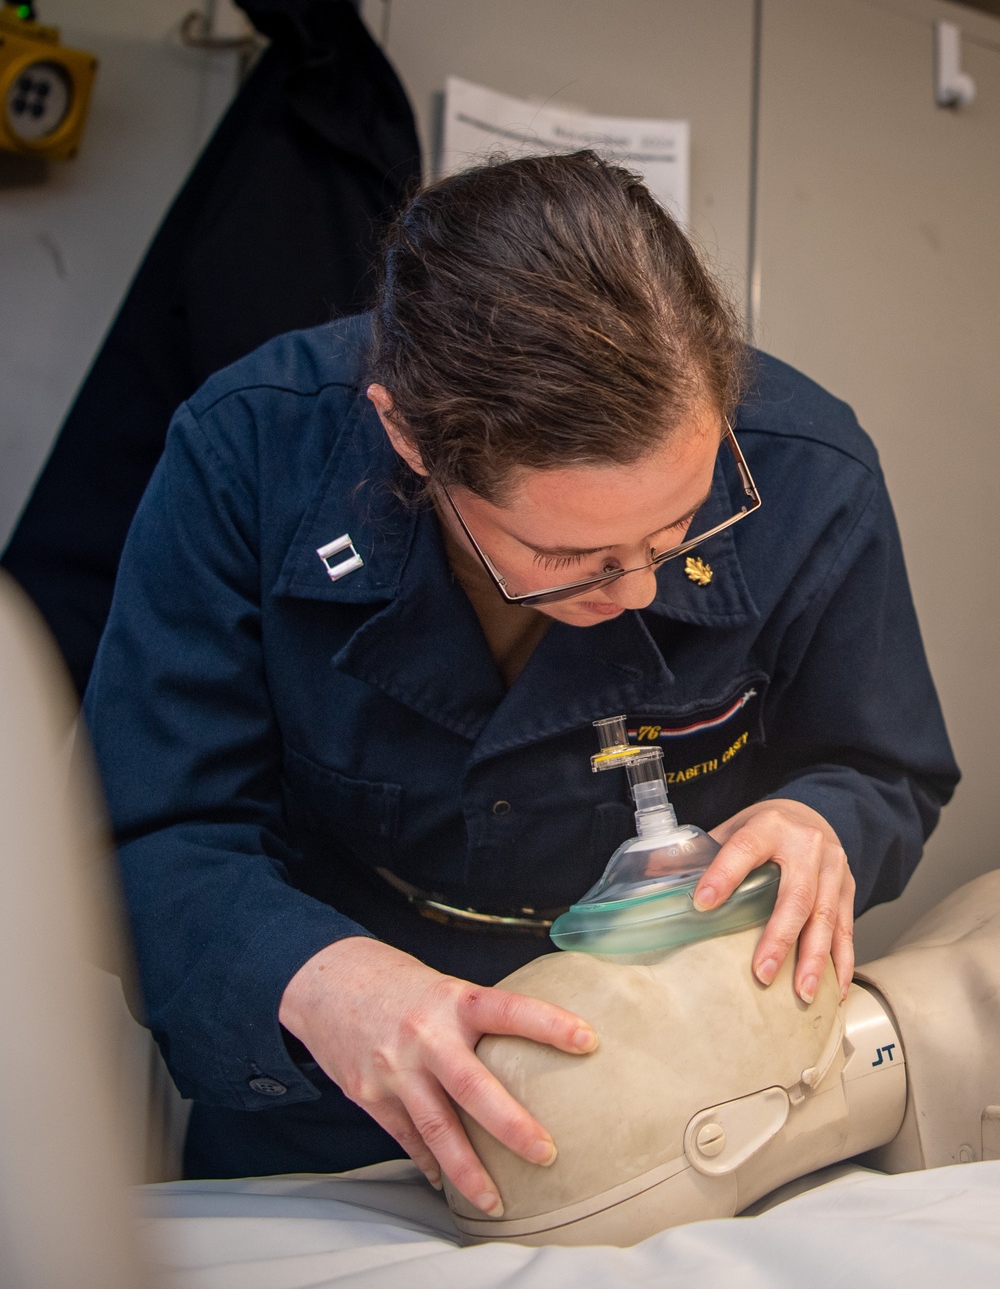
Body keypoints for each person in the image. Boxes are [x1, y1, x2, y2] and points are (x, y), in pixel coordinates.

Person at [83, 151, 958, 1215]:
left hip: (687, 1073)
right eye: (571, 559)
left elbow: (882, 764)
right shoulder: (247, 458)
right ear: (409, 438)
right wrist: (313, 977)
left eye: (679, 527)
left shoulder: (813, 477)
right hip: (342, 1099)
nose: (636, 588)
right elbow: (153, 830)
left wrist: (824, 822)